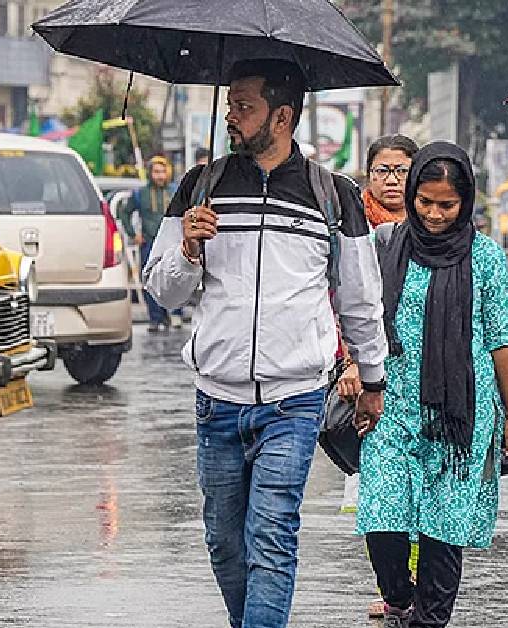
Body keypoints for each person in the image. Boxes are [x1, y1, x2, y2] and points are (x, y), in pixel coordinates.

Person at [142, 59, 388, 628]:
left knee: (271, 535)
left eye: (244, 106)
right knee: (226, 543)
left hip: (295, 398)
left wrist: (372, 378)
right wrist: (188, 249)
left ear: (282, 115)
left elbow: (359, 297)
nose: (231, 115)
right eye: (230, 104)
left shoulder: (333, 196)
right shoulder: (200, 187)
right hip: (217, 398)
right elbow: (164, 291)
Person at [357, 141, 508, 628]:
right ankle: (399, 596)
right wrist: (353, 365)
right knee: (382, 515)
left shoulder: (486, 259)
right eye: (425, 202)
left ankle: (430, 619)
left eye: (446, 205)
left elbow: (503, 341)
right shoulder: (386, 245)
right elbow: (359, 313)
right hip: (390, 402)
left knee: (443, 523)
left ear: (466, 202)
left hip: (459, 415)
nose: (433, 214)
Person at [331, 132, 419, 619]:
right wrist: (350, 362)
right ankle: (393, 586)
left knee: (421, 484)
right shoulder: (349, 224)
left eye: (402, 170)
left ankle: (417, 581)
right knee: (379, 486)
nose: (391, 181)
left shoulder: (436, 222)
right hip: (366, 373)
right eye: (382, 170)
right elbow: (339, 299)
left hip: (420, 374)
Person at [121, 155, 179, 331]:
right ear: (150, 173)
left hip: (172, 243)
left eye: (162, 171)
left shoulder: (175, 191)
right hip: (150, 243)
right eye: (156, 172)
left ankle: (174, 314)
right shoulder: (140, 194)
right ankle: (156, 318)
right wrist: (133, 234)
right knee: (150, 280)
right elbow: (125, 213)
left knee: (175, 277)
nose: (160, 176)